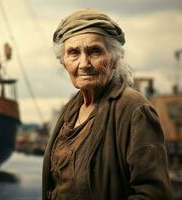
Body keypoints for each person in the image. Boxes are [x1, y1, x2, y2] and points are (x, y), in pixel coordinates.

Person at [42, 8, 173, 200]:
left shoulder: (134, 109)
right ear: (64, 62)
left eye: (95, 51)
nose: (84, 63)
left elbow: (154, 194)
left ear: (114, 59)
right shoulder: (71, 109)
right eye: (73, 53)